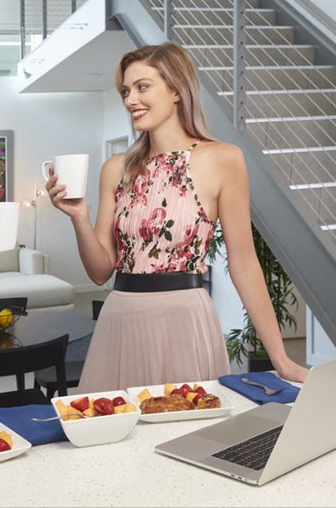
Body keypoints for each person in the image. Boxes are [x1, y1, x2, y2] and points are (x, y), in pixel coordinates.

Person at [46, 41, 310, 392]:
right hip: (120, 321)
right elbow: (99, 272)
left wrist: (280, 359)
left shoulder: (223, 159)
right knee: (114, 439)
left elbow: (244, 263)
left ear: (175, 89)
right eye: (126, 90)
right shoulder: (115, 168)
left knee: (185, 435)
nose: (130, 100)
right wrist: (78, 216)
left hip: (185, 320)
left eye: (142, 87)